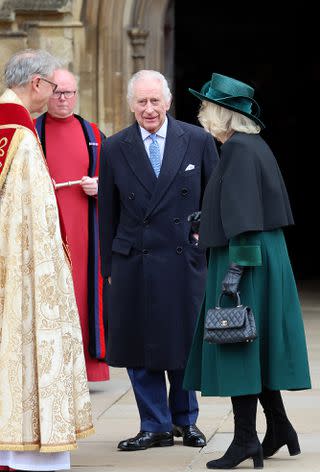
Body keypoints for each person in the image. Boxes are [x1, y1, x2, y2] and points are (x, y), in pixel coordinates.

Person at [183, 73, 311, 469]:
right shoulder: (253, 145)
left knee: (237, 345)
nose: (202, 115)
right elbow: (244, 202)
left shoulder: (238, 150)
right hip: (260, 254)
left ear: (220, 114)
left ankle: (244, 440)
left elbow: (244, 216)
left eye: (206, 108)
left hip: (246, 256)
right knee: (256, 348)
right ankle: (279, 427)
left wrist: (234, 271)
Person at [98, 69, 219, 451]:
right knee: (139, 346)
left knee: (182, 344)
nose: (149, 109)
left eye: (155, 101)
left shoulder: (197, 140)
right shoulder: (115, 146)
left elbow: (213, 199)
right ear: (131, 104)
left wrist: (206, 241)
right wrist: (108, 267)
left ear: (167, 102)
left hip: (183, 259)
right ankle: (154, 424)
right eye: (141, 101)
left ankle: (186, 421)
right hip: (133, 259)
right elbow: (107, 211)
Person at [0, 50, 94, 472]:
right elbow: (31, 214)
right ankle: (21, 454)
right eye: (53, 87)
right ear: (36, 83)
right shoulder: (18, 133)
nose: (55, 95)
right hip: (22, 270)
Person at [34, 69, 109, 382]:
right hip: (46, 229)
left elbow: (117, 182)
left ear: (78, 94)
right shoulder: (31, 132)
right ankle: (52, 368)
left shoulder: (92, 131)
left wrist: (99, 186)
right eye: (57, 93)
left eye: (69, 93)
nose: (63, 99)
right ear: (46, 93)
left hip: (85, 231)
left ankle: (85, 370)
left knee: (82, 294)